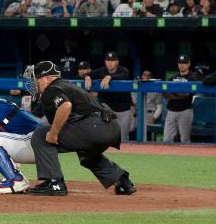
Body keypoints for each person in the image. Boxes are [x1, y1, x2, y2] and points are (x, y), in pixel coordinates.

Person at [28, 61, 136, 196]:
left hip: (92, 126)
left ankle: (54, 182)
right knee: (87, 154)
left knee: (40, 135)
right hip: (110, 127)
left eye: (37, 79)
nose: (34, 83)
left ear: (48, 78)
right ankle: (122, 181)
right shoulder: (67, 85)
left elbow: (65, 106)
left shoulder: (52, 89)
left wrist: (53, 134)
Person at [85, 51, 135, 141]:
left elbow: (123, 75)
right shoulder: (102, 71)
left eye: (112, 60)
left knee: (123, 137)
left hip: (123, 109)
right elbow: (88, 74)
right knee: (99, 110)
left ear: (117, 62)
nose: (110, 63)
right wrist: (87, 76)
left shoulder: (123, 70)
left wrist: (110, 77)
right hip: (108, 107)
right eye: (108, 60)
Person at [162, 55, 200, 143]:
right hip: (171, 111)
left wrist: (173, 92)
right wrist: (179, 94)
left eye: (184, 63)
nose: (182, 65)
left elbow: (186, 94)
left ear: (189, 64)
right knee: (166, 140)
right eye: (180, 63)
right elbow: (165, 94)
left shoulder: (192, 78)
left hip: (185, 111)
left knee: (185, 140)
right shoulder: (172, 78)